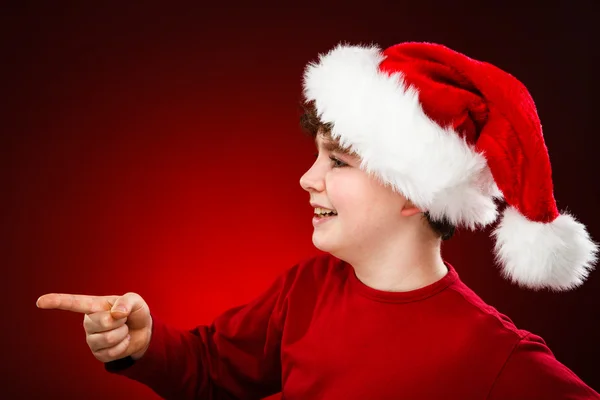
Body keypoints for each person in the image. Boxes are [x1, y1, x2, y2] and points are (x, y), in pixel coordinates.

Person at [36, 42, 599, 399]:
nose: (308, 178)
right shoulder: (307, 289)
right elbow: (210, 368)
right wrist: (144, 342)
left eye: (338, 160)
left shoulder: (496, 358)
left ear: (412, 190)